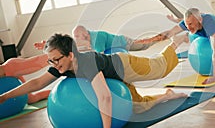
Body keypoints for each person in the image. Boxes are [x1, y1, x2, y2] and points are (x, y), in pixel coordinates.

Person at [0, 33, 189, 128]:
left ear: (71, 55)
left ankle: (177, 41)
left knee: (161, 67)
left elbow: (105, 97)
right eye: (50, 61)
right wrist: (6, 96)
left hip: (124, 66)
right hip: (113, 79)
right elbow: (37, 83)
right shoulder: (61, 65)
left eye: (56, 60)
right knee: (136, 108)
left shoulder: (86, 63)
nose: (54, 65)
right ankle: (167, 95)